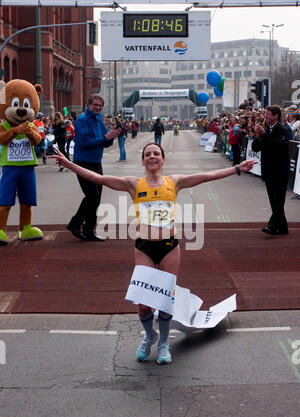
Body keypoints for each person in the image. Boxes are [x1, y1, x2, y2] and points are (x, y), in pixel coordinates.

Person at [50, 142, 256, 364]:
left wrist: (236, 168)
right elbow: (98, 179)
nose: (152, 156)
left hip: (169, 247)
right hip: (144, 247)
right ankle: (150, 336)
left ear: (163, 159)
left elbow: (205, 176)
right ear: (143, 161)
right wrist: (70, 165)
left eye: (156, 153)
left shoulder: (174, 182)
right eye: (147, 154)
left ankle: (164, 343)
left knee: (166, 301)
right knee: (144, 303)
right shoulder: (133, 184)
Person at [66, 93, 121, 241]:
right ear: (89, 105)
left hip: (96, 162)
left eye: (100, 106)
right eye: (95, 105)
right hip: (83, 162)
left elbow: (105, 142)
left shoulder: (99, 120)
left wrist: (113, 135)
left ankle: (89, 230)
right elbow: (85, 143)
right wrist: (105, 137)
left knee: (96, 198)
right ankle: (75, 223)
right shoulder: (82, 120)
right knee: (92, 196)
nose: (97, 107)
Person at [252, 105, 290, 235]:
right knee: (274, 201)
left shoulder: (283, 130)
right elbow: (256, 148)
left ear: (276, 116)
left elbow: (279, 147)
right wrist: (257, 136)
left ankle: (272, 226)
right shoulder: (267, 129)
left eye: (268, 114)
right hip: (268, 171)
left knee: (278, 200)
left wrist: (264, 134)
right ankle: (283, 227)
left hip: (280, 171)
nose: (266, 116)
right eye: (266, 114)